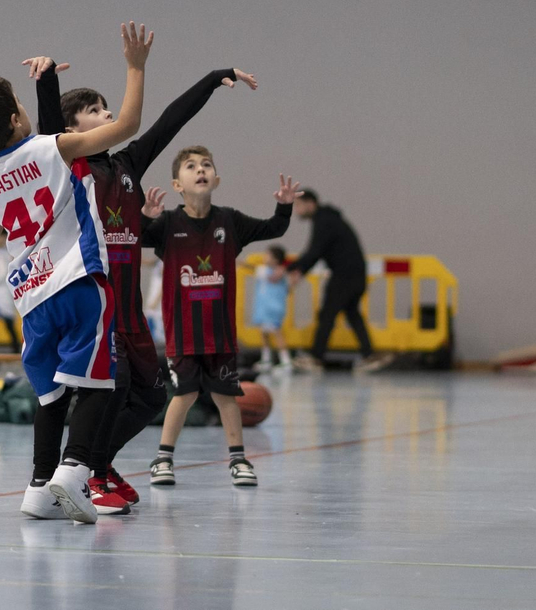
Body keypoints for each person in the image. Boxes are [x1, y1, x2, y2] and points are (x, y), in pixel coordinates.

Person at [31, 53, 256, 514]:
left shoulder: (128, 165)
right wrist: (47, 83)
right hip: (97, 305)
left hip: (131, 310)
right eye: (96, 111)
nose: (108, 115)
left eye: (107, 108)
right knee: (115, 385)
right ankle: (86, 475)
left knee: (152, 394)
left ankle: (99, 463)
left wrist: (212, 79)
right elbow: (50, 130)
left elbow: (169, 122)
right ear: (75, 131)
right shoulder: (70, 169)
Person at [0, 20, 153, 525]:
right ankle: (74, 471)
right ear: (19, 117)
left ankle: (39, 486)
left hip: (31, 295)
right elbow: (125, 126)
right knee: (100, 381)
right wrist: (135, 67)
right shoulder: (53, 146)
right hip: (77, 280)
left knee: (52, 393)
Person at [142, 146, 301, 490]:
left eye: (206, 165)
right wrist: (146, 216)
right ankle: (163, 458)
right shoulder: (167, 224)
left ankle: (238, 459)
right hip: (183, 332)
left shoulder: (229, 221)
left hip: (221, 333)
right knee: (183, 395)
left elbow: (273, 228)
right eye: (190, 166)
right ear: (177, 184)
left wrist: (284, 205)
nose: (200, 169)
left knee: (227, 396)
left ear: (216, 179)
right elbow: (136, 237)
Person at [288, 191, 389, 373]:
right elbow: (317, 252)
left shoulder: (324, 221)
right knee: (352, 314)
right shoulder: (329, 219)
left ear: (310, 203)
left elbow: (314, 251)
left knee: (327, 315)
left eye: (298, 205)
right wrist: (299, 270)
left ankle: (316, 358)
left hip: (345, 276)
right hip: (356, 275)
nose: (296, 210)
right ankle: (369, 355)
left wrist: (293, 269)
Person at [250, 244, 294, 372]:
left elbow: (287, 285)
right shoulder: (265, 271)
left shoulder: (280, 273)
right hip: (263, 309)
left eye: (267, 255)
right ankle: (266, 359)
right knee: (264, 333)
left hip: (273, 309)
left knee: (277, 332)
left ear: (275, 259)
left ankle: (286, 361)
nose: (265, 257)